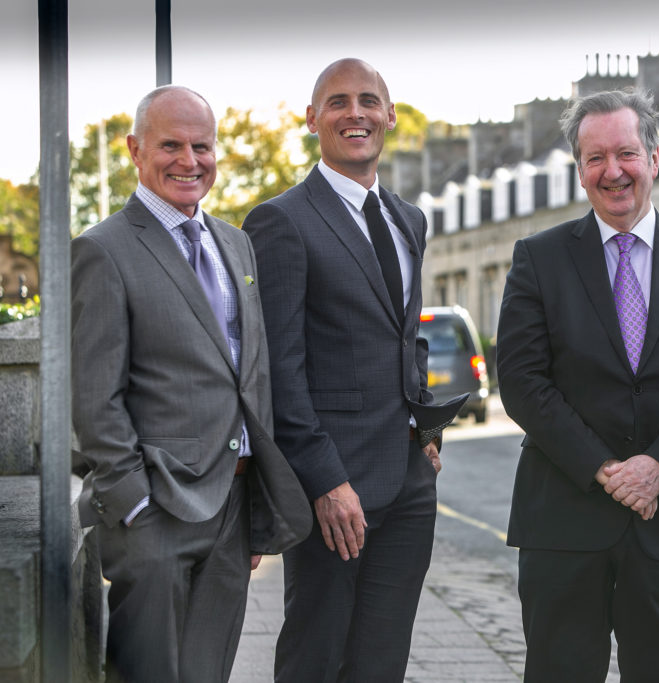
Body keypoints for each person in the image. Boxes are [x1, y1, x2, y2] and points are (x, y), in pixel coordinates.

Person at [496, 89, 659, 683]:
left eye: (626, 153)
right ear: (579, 171)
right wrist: (609, 471)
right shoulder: (538, 259)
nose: (613, 171)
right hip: (563, 518)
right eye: (595, 158)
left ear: (653, 157)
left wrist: (658, 466)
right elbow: (523, 383)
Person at [71, 85, 311, 683]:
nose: (188, 160)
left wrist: (252, 504)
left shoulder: (236, 243)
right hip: (154, 512)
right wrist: (134, 507)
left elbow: (249, 377)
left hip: (232, 507)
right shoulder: (102, 251)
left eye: (201, 146)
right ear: (134, 149)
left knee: (209, 673)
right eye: (170, 145)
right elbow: (93, 398)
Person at [242, 58, 440, 682]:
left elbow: (405, 338)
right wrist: (324, 482)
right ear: (311, 119)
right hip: (333, 489)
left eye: (367, 101)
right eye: (337, 102)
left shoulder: (409, 219)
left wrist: (426, 425)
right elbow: (278, 367)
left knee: (382, 662)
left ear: (389, 115)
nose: (355, 113)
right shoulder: (282, 221)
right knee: (316, 657)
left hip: (409, 485)